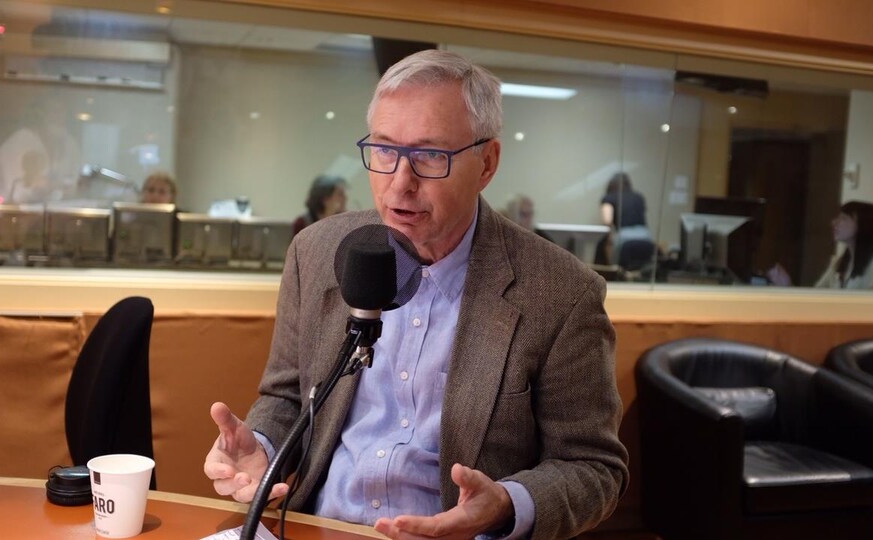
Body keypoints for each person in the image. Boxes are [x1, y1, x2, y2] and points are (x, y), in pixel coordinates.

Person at [203, 50, 628, 539]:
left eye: (430, 155)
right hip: (314, 528)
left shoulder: (561, 293)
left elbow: (594, 468)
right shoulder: (316, 253)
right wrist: (261, 445)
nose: (399, 184)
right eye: (384, 150)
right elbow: (288, 397)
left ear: (486, 163)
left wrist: (505, 505)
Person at [768, 200, 873, 289]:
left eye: (843, 218)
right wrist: (787, 285)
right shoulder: (840, 262)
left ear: (863, 225)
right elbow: (817, 296)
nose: (833, 223)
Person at [0, 98, 81, 204]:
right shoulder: (20, 141)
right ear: (41, 116)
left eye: (62, 113)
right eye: (54, 111)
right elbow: (19, 193)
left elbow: (73, 186)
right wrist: (47, 187)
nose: (59, 117)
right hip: (10, 212)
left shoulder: (70, 144)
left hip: (56, 214)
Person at [598, 172, 653, 266]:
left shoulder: (609, 198)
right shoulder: (639, 197)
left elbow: (607, 220)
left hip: (624, 238)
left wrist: (609, 239)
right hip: (646, 237)